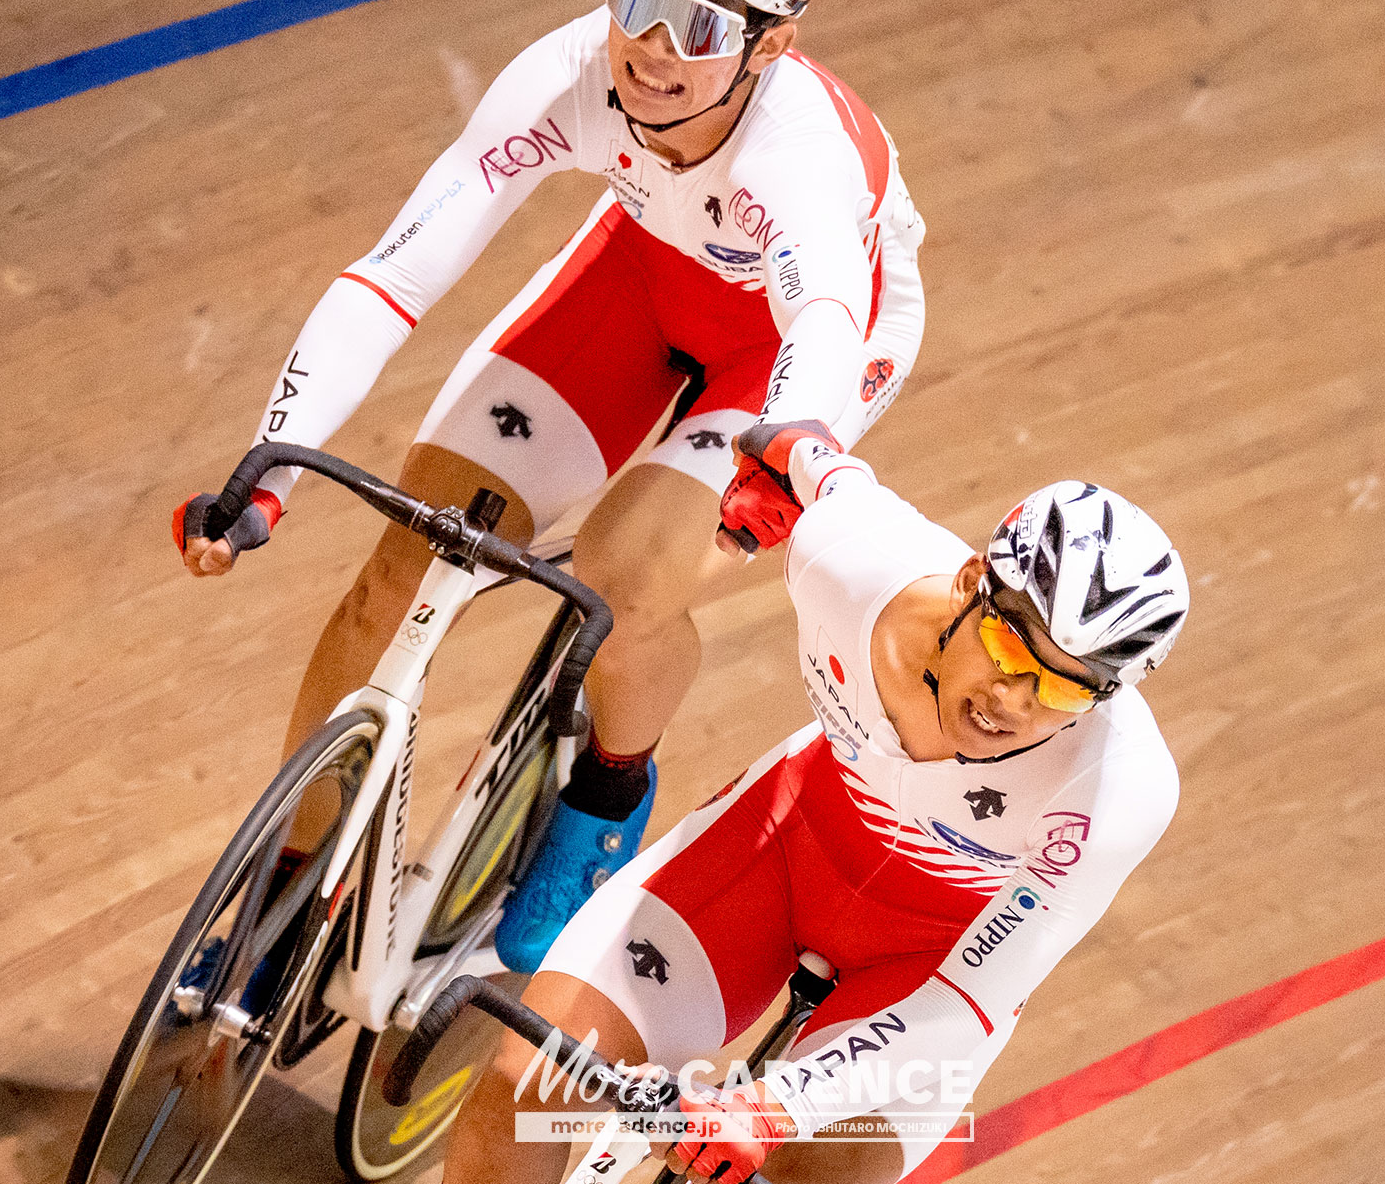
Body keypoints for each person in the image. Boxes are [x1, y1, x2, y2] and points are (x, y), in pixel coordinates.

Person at [171, 0, 927, 970]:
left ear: (770, 45)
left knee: (628, 576)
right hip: (642, 271)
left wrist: (791, 450)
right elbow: (396, 273)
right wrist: (270, 465)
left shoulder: (796, 153)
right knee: (403, 561)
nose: (654, 48)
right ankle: (289, 882)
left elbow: (818, 318)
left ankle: (604, 799)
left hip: (800, 349)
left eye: (701, 24)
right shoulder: (569, 72)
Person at [441, 424, 1190, 1183]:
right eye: (1008, 649)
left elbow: (972, 997)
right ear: (969, 582)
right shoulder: (852, 556)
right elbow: (801, 445)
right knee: (527, 1083)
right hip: (785, 848)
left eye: (1063, 687)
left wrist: (772, 1109)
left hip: (935, 967)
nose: (1012, 698)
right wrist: (780, 449)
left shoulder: (1119, 786)